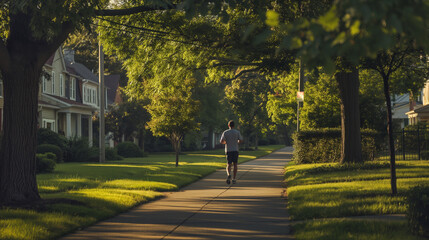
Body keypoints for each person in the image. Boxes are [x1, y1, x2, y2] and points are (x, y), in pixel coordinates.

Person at [220, 120, 243, 184]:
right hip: (235, 150)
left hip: (228, 150)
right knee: (235, 164)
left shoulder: (225, 132)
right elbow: (241, 140)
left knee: (229, 164)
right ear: (234, 125)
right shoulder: (237, 132)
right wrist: (237, 142)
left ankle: (228, 174)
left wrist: (225, 142)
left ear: (228, 125)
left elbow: (221, 141)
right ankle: (234, 178)